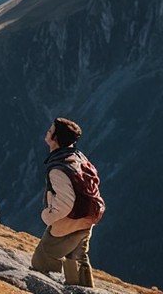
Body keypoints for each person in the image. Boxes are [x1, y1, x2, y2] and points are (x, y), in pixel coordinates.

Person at [30, 117, 99, 287]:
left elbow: (65, 204)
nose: (47, 131)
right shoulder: (78, 157)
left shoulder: (58, 170)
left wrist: (47, 216)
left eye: (50, 130)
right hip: (89, 217)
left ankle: (68, 288)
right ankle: (83, 289)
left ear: (55, 139)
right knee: (77, 258)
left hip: (70, 221)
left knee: (41, 260)